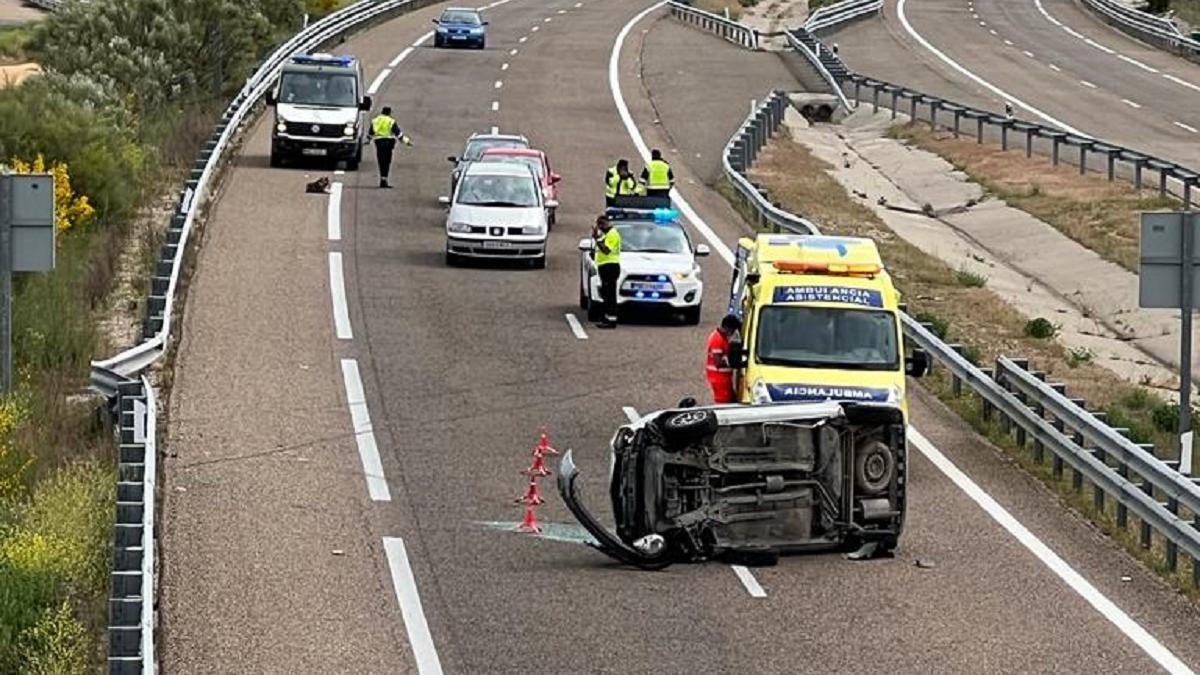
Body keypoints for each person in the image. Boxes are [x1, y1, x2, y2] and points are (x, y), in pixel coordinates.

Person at [369, 106, 411, 188]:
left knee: (381, 161)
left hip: (379, 143)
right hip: (388, 143)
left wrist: (368, 140)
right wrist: (406, 141)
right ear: (389, 113)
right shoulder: (390, 121)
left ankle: (382, 179)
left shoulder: (376, 120)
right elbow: (398, 133)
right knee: (387, 162)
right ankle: (384, 179)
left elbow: (371, 132)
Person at [592, 214, 621, 328]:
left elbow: (606, 250)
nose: (599, 228)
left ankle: (611, 319)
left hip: (610, 266)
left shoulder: (612, 234)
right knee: (606, 293)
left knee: (610, 294)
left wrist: (597, 239)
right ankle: (607, 317)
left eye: (600, 225)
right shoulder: (608, 234)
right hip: (606, 266)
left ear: (605, 223)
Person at [705, 314, 742, 404]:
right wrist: (732, 362)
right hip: (719, 378)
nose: (733, 333)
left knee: (730, 401)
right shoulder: (717, 339)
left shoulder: (722, 338)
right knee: (723, 404)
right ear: (727, 328)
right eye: (733, 330)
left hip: (723, 378)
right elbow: (717, 362)